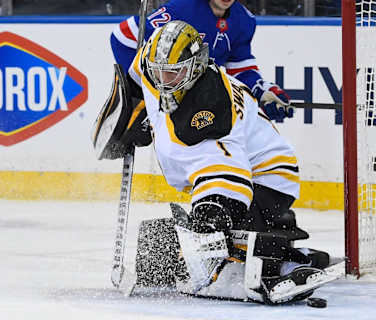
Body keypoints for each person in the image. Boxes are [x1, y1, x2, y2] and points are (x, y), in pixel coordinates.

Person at [123, 20, 337, 305]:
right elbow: (137, 70)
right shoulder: (153, 66)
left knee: (228, 232)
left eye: (173, 74)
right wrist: (130, 114)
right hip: (244, 170)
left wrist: (214, 210)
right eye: (158, 72)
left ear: (195, 66)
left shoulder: (212, 108)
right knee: (199, 235)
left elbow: (229, 168)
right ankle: (281, 243)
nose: (163, 81)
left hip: (269, 178)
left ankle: (284, 257)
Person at [110, 0, 294, 122]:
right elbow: (123, 36)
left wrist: (262, 91)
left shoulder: (244, 20)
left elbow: (239, 68)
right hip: (171, 99)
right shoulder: (182, 8)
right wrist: (140, 91)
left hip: (198, 104)